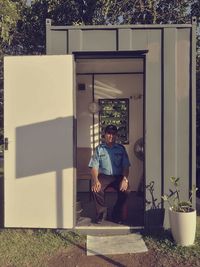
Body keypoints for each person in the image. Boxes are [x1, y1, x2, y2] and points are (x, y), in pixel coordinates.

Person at [88, 124, 131, 224]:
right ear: (105, 135)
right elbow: (94, 167)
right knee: (96, 189)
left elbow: (126, 166)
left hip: (118, 176)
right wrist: (95, 180)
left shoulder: (121, 149)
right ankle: (102, 212)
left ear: (116, 135)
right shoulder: (99, 149)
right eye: (109, 133)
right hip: (104, 176)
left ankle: (116, 213)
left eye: (113, 134)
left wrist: (125, 180)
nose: (111, 136)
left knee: (127, 190)